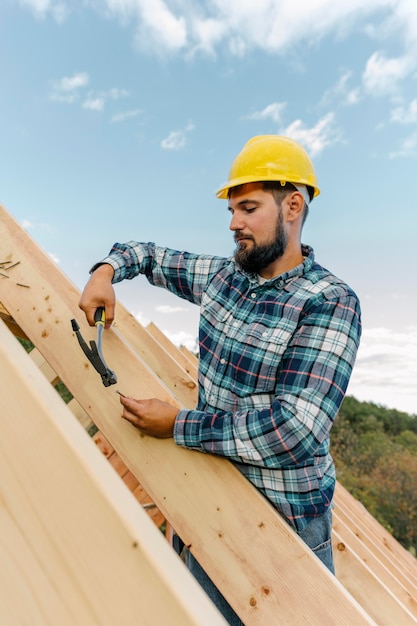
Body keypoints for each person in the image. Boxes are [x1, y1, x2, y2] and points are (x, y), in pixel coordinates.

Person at [79, 135, 362, 625]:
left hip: (282, 520)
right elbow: (143, 253)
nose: (234, 224)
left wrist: (178, 426)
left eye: (248, 209)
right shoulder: (223, 277)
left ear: (292, 205)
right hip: (207, 490)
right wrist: (105, 272)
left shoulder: (329, 301)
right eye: (231, 211)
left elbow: (293, 431)